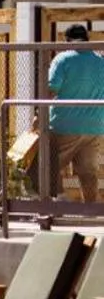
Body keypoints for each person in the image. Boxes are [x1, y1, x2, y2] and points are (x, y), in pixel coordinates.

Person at [48, 24, 104, 204]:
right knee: (88, 172)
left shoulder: (62, 59)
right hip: (95, 125)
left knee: (50, 166)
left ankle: (59, 201)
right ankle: (90, 211)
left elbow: (51, 88)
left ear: (67, 40)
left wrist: (38, 115)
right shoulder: (100, 60)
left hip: (64, 124)